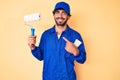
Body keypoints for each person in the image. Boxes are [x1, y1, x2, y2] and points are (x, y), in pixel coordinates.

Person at [28, 1, 86, 80]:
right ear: (54, 15)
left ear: (68, 16)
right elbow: (41, 56)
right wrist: (33, 47)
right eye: (57, 12)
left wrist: (76, 51)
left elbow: (83, 59)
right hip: (49, 77)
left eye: (64, 13)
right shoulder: (46, 35)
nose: (60, 15)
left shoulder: (75, 36)